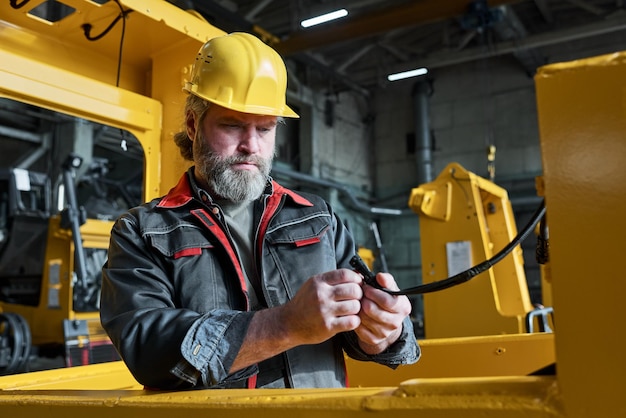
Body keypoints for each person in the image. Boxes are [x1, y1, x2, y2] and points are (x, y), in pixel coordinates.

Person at [100, 32, 419, 390]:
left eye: (265, 129)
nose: (251, 145)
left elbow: (365, 333)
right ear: (193, 125)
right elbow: (149, 350)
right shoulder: (142, 232)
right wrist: (286, 324)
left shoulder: (317, 218)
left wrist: (383, 330)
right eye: (232, 125)